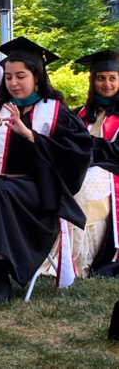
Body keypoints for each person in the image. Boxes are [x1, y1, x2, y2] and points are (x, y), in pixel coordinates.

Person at [0, 37, 92, 306]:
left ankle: (0, 279)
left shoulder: (57, 112)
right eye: (9, 76)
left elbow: (76, 156)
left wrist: (31, 136)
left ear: (37, 77)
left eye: (21, 76)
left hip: (38, 193)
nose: (14, 83)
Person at [68, 50, 119, 277]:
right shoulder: (79, 114)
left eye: (112, 78)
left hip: (113, 173)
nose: (106, 84)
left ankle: (82, 259)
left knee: (83, 185)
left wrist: (88, 146)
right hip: (82, 169)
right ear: (92, 80)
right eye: (101, 78)